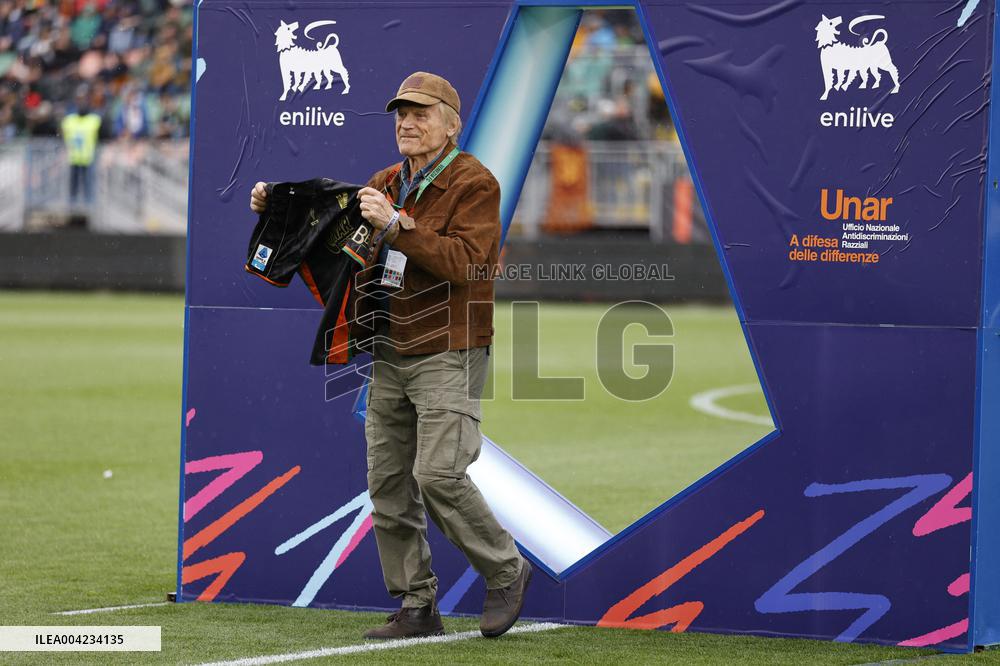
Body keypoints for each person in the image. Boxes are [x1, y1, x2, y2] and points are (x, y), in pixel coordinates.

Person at [249, 71, 531, 640]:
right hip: (390, 348)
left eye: (421, 113)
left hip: (449, 348)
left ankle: (506, 570)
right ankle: (416, 605)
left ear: (452, 125)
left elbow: (467, 263)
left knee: (439, 474)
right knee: (388, 484)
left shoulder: (475, 183)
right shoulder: (385, 181)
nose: (407, 121)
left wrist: (398, 226)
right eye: (401, 112)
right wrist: (276, 206)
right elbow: (335, 230)